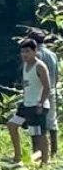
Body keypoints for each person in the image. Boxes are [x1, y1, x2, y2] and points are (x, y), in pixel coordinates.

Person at [8, 39, 52, 164]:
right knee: (11, 125)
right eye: (22, 52)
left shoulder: (40, 66)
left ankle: (45, 162)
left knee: (41, 135)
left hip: (37, 105)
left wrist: (40, 104)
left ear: (35, 51)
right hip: (26, 104)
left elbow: (47, 87)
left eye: (27, 51)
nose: (24, 54)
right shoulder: (25, 65)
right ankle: (17, 156)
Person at [27, 28, 59, 157]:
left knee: (36, 122)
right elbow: (56, 75)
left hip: (37, 93)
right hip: (51, 90)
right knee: (51, 121)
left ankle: (38, 152)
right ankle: (54, 151)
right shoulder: (52, 54)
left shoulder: (35, 55)